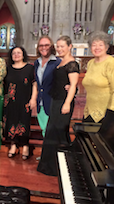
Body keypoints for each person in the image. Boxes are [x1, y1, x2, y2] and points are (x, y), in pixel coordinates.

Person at [37, 36, 79, 176]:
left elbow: (73, 85)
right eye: (58, 46)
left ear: (70, 46)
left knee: (60, 132)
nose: (60, 49)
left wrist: (67, 103)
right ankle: (51, 165)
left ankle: (63, 166)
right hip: (56, 101)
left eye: (62, 46)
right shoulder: (61, 62)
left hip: (63, 102)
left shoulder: (72, 64)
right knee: (52, 131)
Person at [4, 46, 37, 160]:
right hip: (10, 101)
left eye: (19, 53)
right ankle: (13, 145)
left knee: (24, 122)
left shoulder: (30, 68)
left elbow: (34, 84)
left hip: (25, 100)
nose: (16, 55)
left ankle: (25, 146)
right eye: (14, 53)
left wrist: (33, 99)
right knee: (11, 122)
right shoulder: (8, 68)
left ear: (23, 55)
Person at [82, 31, 114, 123]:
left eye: (100, 45)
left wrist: (111, 114)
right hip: (89, 111)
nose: (97, 48)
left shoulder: (111, 63)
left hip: (107, 113)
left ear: (106, 47)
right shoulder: (90, 63)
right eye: (94, 45)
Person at [34, 36, 61, 138]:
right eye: (41, 45)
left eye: (46, 45)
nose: (43, 47)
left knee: (51, 131)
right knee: (44, 129)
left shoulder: (57, 62)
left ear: (51, 47)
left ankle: (51, 153)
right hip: (40, 102)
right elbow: (36, 82)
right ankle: (47, 153)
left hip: (52, 102)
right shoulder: (37, 63)